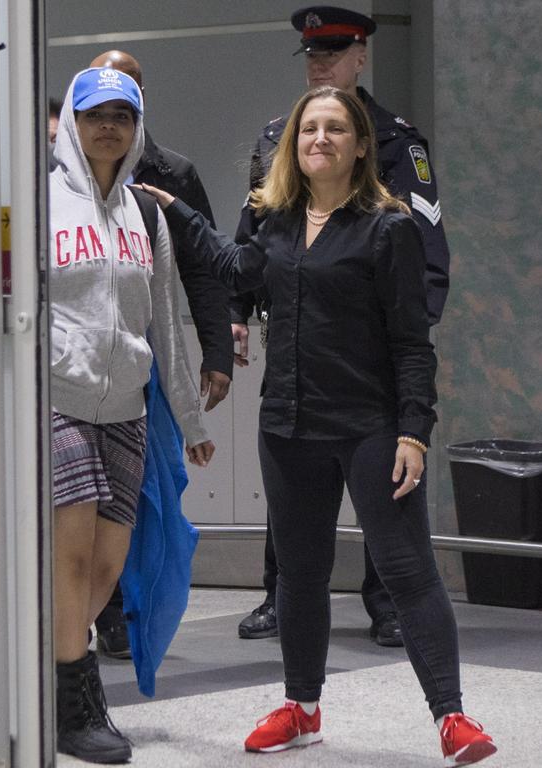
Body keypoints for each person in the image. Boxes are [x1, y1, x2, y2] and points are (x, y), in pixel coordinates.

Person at [136, 85, 496, 765]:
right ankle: (300, 710)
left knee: (406, 571)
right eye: (307, 131)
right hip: (288, 426)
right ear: (292, 147)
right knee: (299, 575)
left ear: (360, 145)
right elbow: (232, 267)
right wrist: (179, 212)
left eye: (334, 130)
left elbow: (411, 343)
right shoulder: (271, 221)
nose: (319, 140)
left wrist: (413, 432)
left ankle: (451, 718)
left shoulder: (388, 229)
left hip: (370, 427)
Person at [234, 4, 452, 648]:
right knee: (292, 458)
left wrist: (407, 333)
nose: (319, 63)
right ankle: (282, 594)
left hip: (371, 345)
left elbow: (427, 248)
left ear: (361, 55)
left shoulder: (396, 141)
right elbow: (254, 238)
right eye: (311, 54)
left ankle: (386, 603)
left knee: (381, 480)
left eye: (332, 51)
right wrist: (235, 314)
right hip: (296, 337)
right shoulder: (280, 136)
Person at [49, 67, 215, 763]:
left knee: (109, 568)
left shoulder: (148, 214)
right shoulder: (37, 203)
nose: (107, 126)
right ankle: (76, 702)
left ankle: (47, 661)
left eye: (121, 115)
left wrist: (190, 417)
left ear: (136, 125)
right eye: (94, 115)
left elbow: (167, 324)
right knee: (74, 549)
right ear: (71, 124)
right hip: (56, 401)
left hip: (124, 406)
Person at [86, 49, 234, 661]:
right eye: (101, 103)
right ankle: (92, 613)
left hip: (146, 358)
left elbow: (202, 271)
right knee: (85, 497)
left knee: (144, 492)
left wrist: (217, 351)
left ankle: (128, 612)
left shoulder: (170, 174)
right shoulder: (56, 178)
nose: (112, 116)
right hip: (78, 364)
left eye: (128, 100)